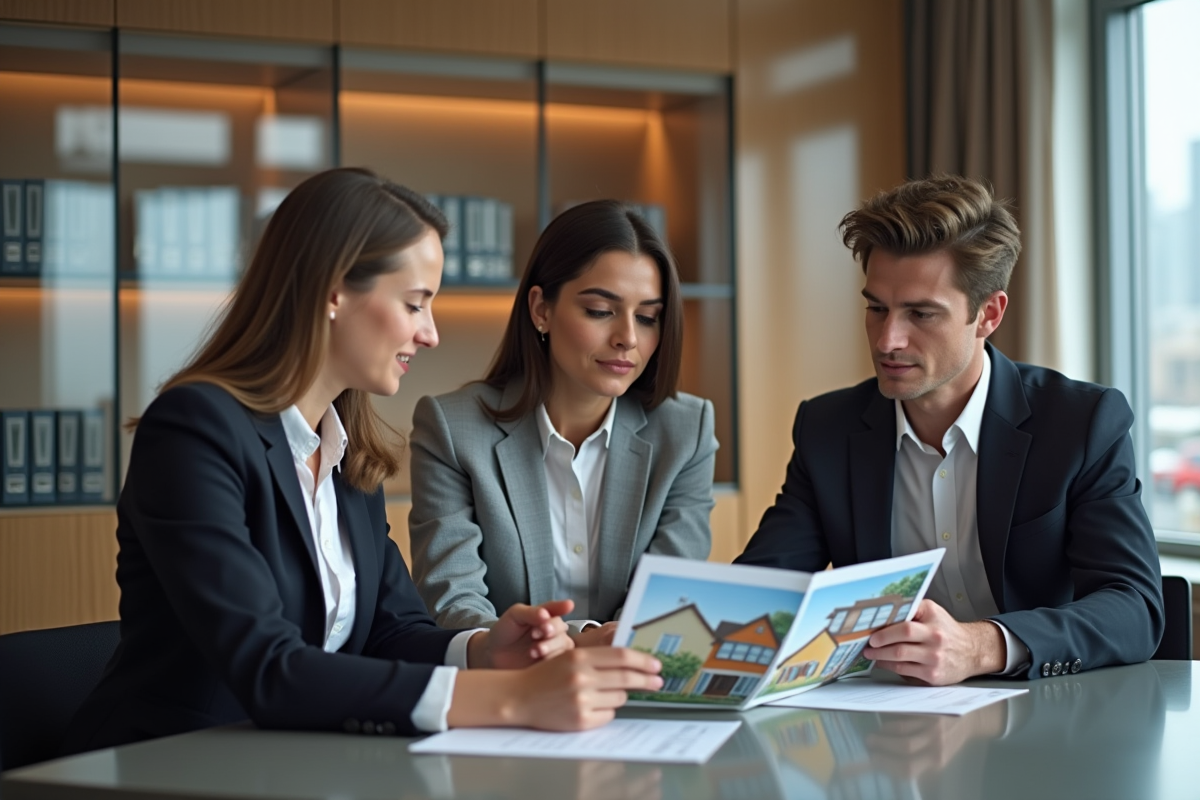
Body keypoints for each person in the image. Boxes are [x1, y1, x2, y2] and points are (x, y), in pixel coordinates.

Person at [64, 169, 663, 754]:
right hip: (174, 763)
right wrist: (510, 699)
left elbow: (389, 631)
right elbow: (269, 667)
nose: (429, 333)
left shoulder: (346, 450)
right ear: (333, 290)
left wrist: (484, 652)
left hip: (301, 761)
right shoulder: (194, 429)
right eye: (414, 303)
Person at [737, 174, 1163, 684]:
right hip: (882, 726)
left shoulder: (1080, 424)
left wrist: (982, 646)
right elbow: (761, 592)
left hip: (1046, 723)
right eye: (876, 308)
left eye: (921, 313)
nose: (888, 339)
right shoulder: (827, 428)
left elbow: (1135, 607)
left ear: (988, 314)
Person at [409, 200, 718, 646]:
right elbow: (454, 607)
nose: (628, 338)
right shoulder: (453, 429)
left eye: (648, 317)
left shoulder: (686, 432)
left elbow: (666, 606)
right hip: (508, 692)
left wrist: (583, 642)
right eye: (600, 310)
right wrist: (582, 641)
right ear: (541, 310)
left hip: (633, 686)